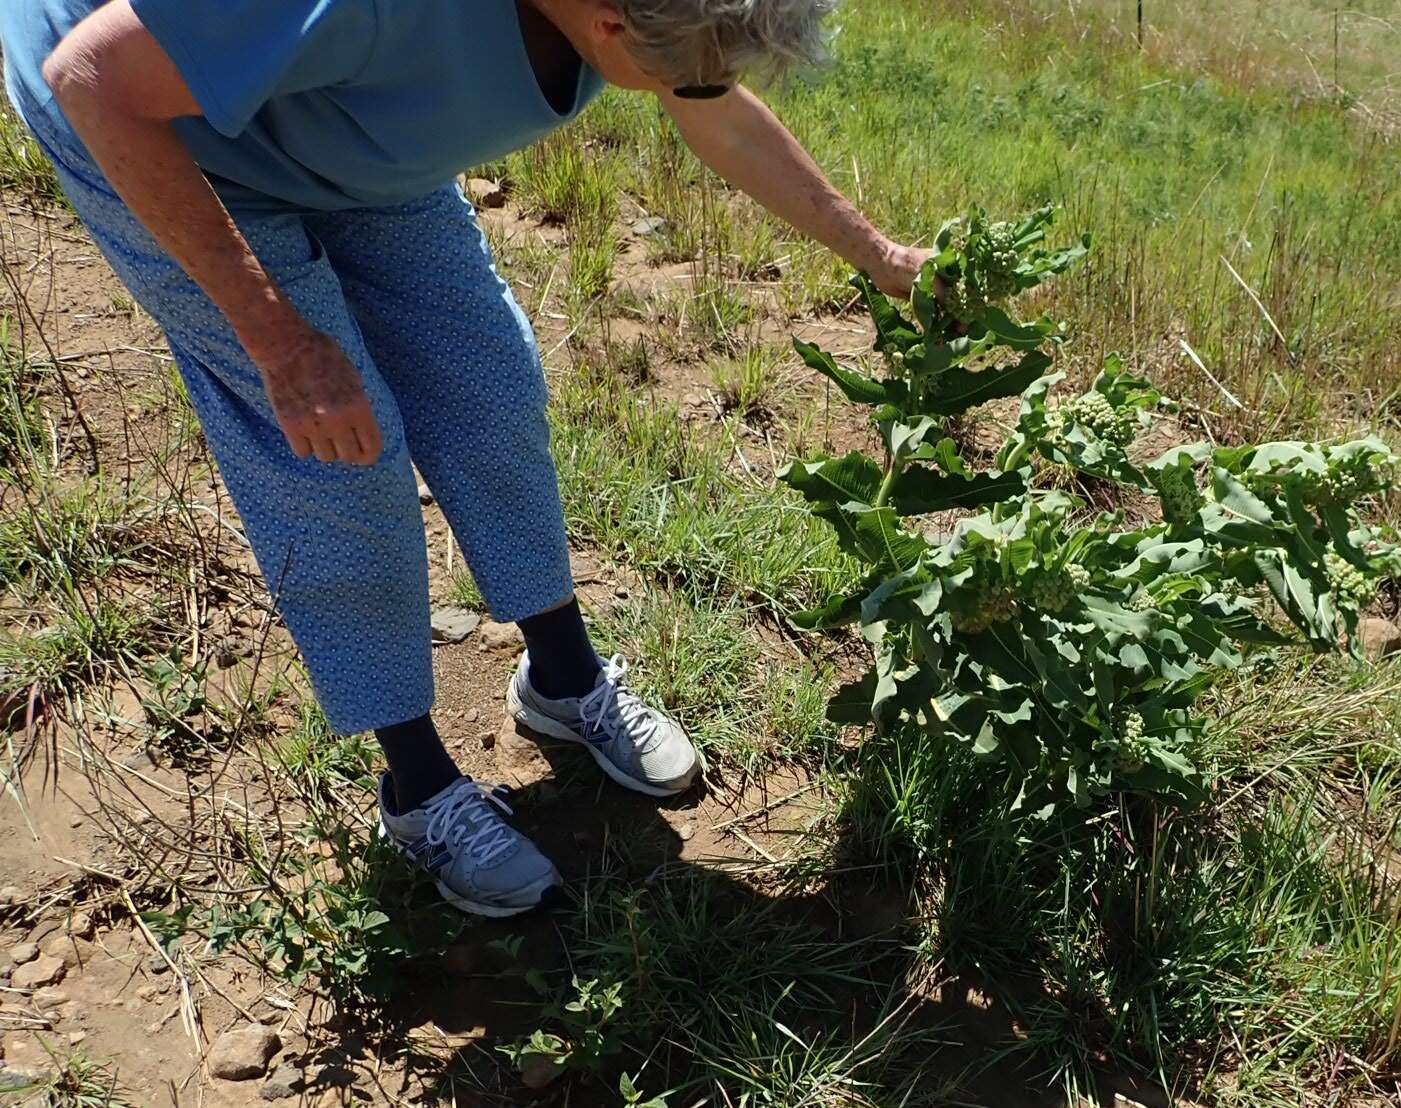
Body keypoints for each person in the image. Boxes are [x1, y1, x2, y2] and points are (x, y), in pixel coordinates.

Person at [0, 0, 929, 915]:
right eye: (680, 68)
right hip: (142, 116)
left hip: (332, 114)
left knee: (491, 385)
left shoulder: (627, 14)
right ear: (608, 25)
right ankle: (416, 786)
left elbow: (714, 108)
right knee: (341, 455)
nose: (691, 87)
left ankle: (564, 681)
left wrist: (879, 252)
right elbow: (92, 76)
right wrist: (280, 341)